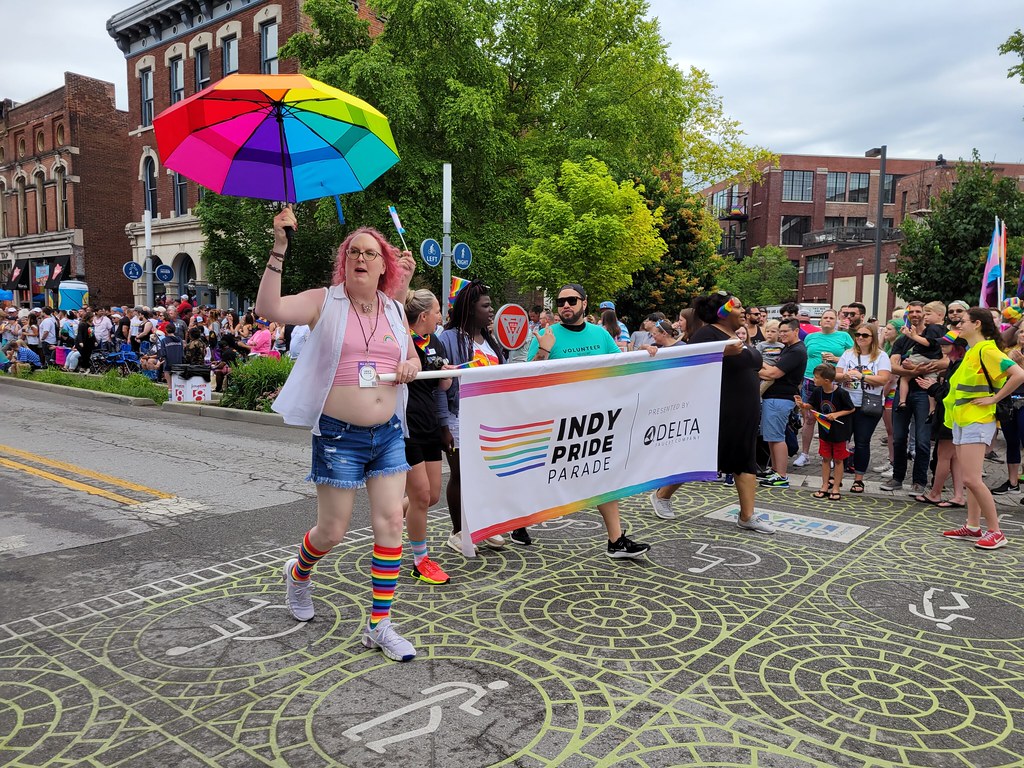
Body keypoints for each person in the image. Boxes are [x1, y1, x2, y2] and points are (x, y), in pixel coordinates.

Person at [259, 207, 422, 661]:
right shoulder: (324, 302)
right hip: (338, 437)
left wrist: (411, 365)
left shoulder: (392, 311)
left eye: (371, 253)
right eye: (354, 252)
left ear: (384, 265)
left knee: (391, 522)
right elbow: (268, 309)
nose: (362, 258)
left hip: (388, 433)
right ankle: (299, 572)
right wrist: (279, 247)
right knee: (331, 531)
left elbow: (412, 358)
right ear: (344, 262)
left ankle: (379, 624)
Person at [528, 283, 652, 557]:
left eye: (572, 300)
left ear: (585, 303)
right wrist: (544, 351)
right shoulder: (545, 335)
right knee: (541, 478)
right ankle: (519, 520)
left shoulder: (601, 335)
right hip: (557, 423)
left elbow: (622, 368)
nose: (565, 306)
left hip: (595, 422)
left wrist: (648, 355)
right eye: (561, 302)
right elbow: (528, 379)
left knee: (602, 475)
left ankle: (615, 541)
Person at [650, 292, 774, 533]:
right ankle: (662, 495)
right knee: (700, 455)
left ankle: (747, 516)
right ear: (723, 312)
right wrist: (719, 353)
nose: (743, 311)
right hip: (721, 409)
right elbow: (688, 361)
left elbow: (757, 366)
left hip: (745, 411)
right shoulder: (709, 334)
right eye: (737, 306)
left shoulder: (736, 335)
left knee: (744, 460)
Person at [941, 307, 1024, 549]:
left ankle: (996, 531)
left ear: (977, 324)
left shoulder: (987, 349)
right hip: (963, 418)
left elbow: (1018, 374)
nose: (958, 325)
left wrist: (994, 398)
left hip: (977, 419)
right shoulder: (972, 350)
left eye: (963, 321)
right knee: (970, 479)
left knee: (972, 479)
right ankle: (973, 525)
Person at [438, 280, 508, 552]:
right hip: (459, 417)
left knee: (486, 474)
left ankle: (483, 526)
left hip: (488, 419)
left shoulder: (489, 340)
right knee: (460, 474)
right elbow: (440, 385)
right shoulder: (448, 338)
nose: (492, 310)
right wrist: (443, 424)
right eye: (486, 305)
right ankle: (457, 531)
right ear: (469, 308)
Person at [402, 289, 453, 585]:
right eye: (436, 311)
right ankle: (420, 560)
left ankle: (391, 518)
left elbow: (442, 386)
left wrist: (448, 374)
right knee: (421, 495)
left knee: (431, 496)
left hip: (430, 422)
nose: (440, 316)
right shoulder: (401, 338)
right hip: (407, 425)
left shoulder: (433, 339)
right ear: (423, 316)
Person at [883, 301, 944, 494]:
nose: (915, 314)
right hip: (904, 392)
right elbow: (893, 366)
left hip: (925, 393)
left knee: (922, 441)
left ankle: (919, 481)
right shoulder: (902, 340)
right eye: (912, 311)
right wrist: (914, 370)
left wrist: (923, 368)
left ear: (925, 315)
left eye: (919, 311)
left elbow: (945, 361)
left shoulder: (933, 334)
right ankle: (897, 477)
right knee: (899, 438)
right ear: (907, 315)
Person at [836, 323, 891, 494]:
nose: (860, 338)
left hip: (869, 405)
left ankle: (858, 479)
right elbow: (836, 375)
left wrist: (862, 376)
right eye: (858, 334)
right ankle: (836, 478)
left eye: (865, 335)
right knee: (840, 441)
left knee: (862, 442)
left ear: (873, 338)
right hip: (847, 403)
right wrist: (845, 376)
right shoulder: (848, 354)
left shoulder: (881, 356)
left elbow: (883, 379)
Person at [794, 309, 853, 468]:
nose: (828, 320)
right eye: (825, 317)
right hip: (810, 380)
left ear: (836, 321)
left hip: (833, 382)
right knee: (809, 418)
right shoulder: (810, 337)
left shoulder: (844, 337)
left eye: (831, 318)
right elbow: (802, 355)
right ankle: (805, 454)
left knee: (832, 418)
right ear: (819, 321)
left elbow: (853, 358)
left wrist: (835, 359)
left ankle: (832, 455)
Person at [758, 318, 807, 488]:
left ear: (796, 331)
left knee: (777, 437)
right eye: (781, 331)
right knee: (771, 436)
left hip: (781, 397)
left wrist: (758, 361)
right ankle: (774, 470)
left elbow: (773, 373)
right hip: (774, 397)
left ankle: (781, 476)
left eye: (786, 331)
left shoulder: (797, 351)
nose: (782, 334)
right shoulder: (788, 348)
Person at [796, 364, 856, 500]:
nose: (813, 379)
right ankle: (824, 485)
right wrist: (802, 405)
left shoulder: (841, 393)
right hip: (825, 431)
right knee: (825, 459)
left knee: (839, 460)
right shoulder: (818, 391)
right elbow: (811, 404)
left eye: (816, 377)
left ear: (827, 380)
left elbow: (851, 409)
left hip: (840, 432)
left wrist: (837, 414)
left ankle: (836, 487)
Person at [896, 300, 946, 417]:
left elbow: (928, 343)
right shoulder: (945, 330)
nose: (925, 316)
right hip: (934, 359)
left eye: (927, 314)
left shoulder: (932, 328)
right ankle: (932, 409)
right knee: (931, 383)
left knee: (904, 378)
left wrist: (912, 336)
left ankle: (902, 401)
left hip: (922, 356)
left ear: (940, 315)